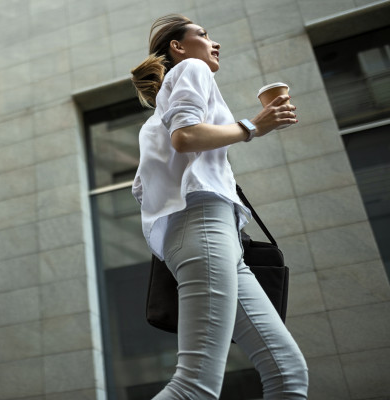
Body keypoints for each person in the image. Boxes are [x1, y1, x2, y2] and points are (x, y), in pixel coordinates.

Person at [130, 14, 309, 399]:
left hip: (214, 235)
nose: (215, 43)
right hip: (204, 228)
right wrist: (254, 126)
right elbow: (186, 136)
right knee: (194, 385)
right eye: (203, 34)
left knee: (288, 372)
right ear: (178, 47)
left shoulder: (156, 115)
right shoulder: (192, 68)